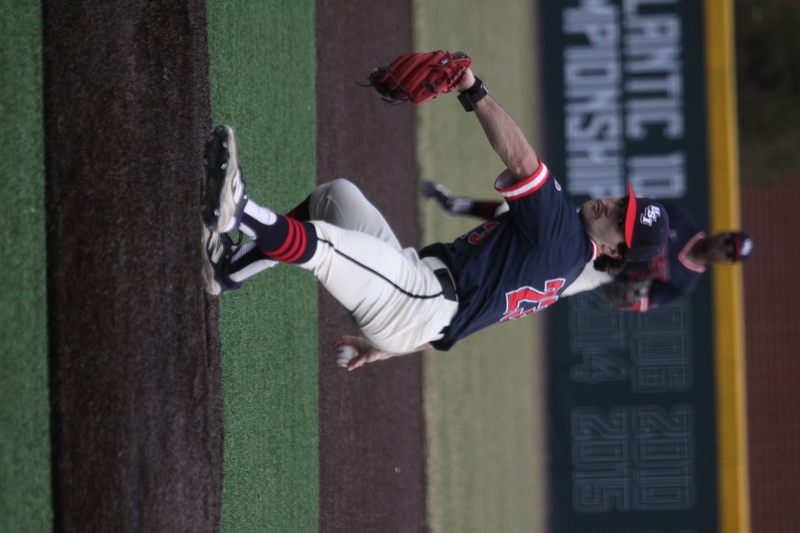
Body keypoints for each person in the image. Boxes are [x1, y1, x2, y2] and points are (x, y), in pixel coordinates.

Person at [200, 65, 670, 370]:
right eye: (623, 202)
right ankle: (229, 269)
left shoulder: (564, 235)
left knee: (324, 244)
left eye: (622, 221)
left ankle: (240, 210)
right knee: (335, 198)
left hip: (417, 300)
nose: (612, 206)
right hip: (419, 299)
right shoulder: (564, 266)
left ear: (613, 251)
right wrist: (388, 348)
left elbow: (521, 158)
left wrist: (473, 89)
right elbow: (470, 321)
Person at [422, 180, 753, 310]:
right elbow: (640, 210)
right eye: (729, 241)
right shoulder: (681, 220)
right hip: (595, 233)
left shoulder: (685, 281)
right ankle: (454, 204)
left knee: (536, 288)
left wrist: (629, 298)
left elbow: (643, 302)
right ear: (723, 233)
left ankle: (462, 304)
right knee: (512, 216)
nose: (724, 248)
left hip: (600, 272)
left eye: (730, 253)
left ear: (727, 263)